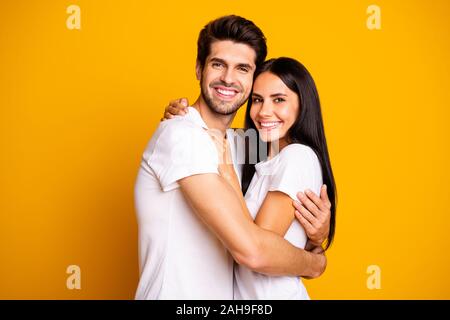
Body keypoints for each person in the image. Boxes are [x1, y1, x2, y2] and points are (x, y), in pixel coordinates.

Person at [134, 15, 332, 300]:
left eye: (242, 68)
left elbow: (281, 213)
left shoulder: (246, 145)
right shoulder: (182, 136)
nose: (228, 78)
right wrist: (315, 264)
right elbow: (253, 251)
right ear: (199, 68)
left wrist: (316, 234)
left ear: (253, 80)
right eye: (218, 64)